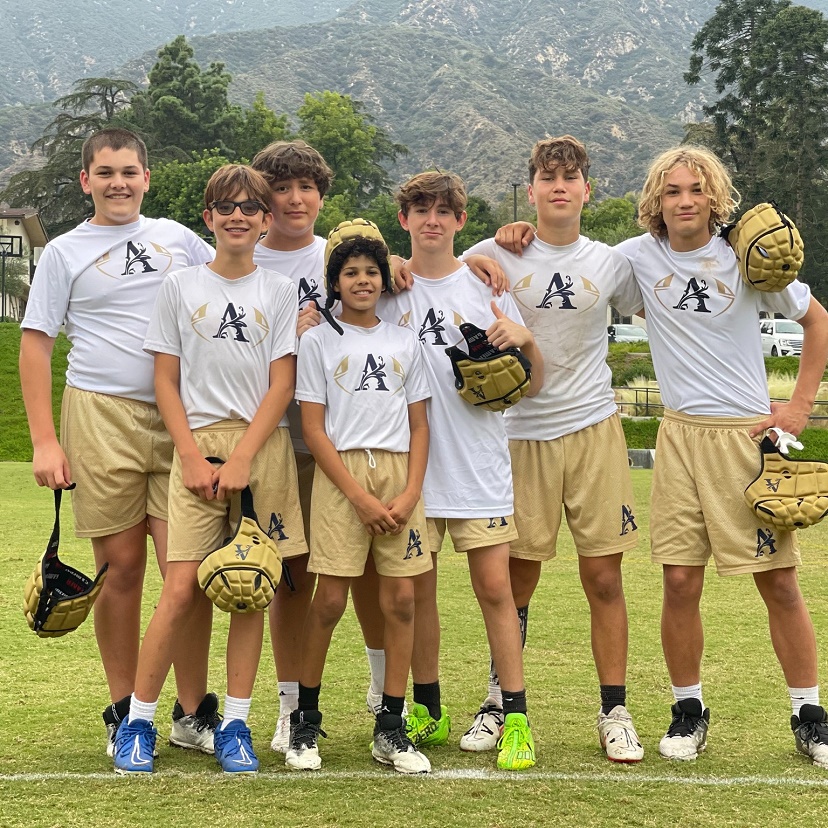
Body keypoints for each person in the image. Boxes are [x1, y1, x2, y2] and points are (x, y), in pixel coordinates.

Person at [616, 146, 828, 765]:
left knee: (779, 582)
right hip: (680, 437)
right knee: (680, 581)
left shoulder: (745, 256)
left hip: (746, 438)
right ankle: (688, 711)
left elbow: (818, 321)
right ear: (655, 201)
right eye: (672, 191)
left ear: (714, 197)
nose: (685, 201)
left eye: (696, 189)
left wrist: (798, 408)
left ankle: (810, 716)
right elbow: (569, 263)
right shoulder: (636, 257)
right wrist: (511, 240)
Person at [19, 127, 220, 757]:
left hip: (183, 415)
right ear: (86, 180)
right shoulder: (63, 252)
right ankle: (124, 709)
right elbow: (36, 344)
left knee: (186, 568)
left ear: (146, 178)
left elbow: (250, 265)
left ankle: (192, 711)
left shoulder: (178, 239)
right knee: (123, 568)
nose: (118, 183)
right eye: (105, 173)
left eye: (129, 172)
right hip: (100, 414)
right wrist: (45, 441)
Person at [113, 164, 305, 774]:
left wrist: (245, 456)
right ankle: (138, 722)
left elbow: (282, 383)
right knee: (178, 590)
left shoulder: (279, 290)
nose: (237, 216)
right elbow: (164, 381)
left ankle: (237, 725)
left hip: (262, 447)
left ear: (266, 220)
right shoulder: (180, 286)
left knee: (250, 587)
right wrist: (191, 456)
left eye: (250, 207)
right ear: (208, 218)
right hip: (195, 448)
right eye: (226, 207)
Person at [460, 136, 644, 762]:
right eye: (547, 176)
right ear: (532, 189)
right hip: (519, 434)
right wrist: (477, 251)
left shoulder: (612, 262)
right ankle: (498, 701)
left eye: (570, 177)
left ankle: (614, 710)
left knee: (604, 576)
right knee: (517, 577)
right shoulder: (493, 252)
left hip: (593, 428)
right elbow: (433, 273)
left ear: (588, 189)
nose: (559, 186)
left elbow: (666, 308)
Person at [384, 170, 544, 771]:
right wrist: (389, 262)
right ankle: (429, 709)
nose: (432, 220)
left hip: (479, 462)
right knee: (416, 593)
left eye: (443, 211)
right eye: (420, 210)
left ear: (460, 220)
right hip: (411, 469)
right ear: (404, 219)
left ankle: (515, 717)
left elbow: (532, 385)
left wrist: (528, 342)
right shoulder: (387, 288)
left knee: (495, 590)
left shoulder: (485, 285)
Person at [285, 220, 432, 774]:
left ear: (383, 280)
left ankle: (391, 726)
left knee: (401, 601)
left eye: (372, 271)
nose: (363, 280)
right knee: (328, 601)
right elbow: (314, 429)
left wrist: (411, 491)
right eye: (351, 272)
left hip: (398, 475)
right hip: (341, 477)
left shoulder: (404, 340)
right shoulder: (318, 341)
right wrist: (358, 497)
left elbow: (420, 425)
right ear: (335, 282)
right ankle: (304, 723)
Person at [250, 140, 335, 751]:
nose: (295, 199)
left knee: (355, 574)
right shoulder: (239, 256)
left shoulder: (341, 254)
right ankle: (288, 706)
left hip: (337, 438)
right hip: (269, 438)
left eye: (306, 187)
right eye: (282, 188)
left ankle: (380, 697)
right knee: (284, 575)